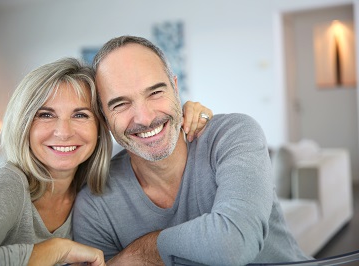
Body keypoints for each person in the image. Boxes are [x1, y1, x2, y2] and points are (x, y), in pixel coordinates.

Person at [73, 35, 312, 266]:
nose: (145, 118)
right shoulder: (96, 204)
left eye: (155, 92)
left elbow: (233, 244)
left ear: (175, 89)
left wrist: (147, 249)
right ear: (104, 119)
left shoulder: (231, 135)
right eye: (121, 104)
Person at [0, 57, 211, 265]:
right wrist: (58, 249)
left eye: (80, 115)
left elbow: (140, 135)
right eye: (46, 115)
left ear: (101, 126)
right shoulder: (7, 183)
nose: (64, 132)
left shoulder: (92, 186)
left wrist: (187, 115)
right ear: (23, 122)